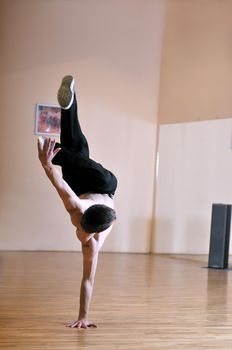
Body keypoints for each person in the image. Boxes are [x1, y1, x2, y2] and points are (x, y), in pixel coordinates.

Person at [37, 75, 118, 329]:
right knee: (76, 157)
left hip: (82, 188)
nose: (82, 237)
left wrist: (83, 316)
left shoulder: (91, 244)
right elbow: (59, 185)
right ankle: (60, 149)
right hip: (105, 185)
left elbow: (87, 280)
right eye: (82, 231)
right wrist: (48, 162)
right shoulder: (77, 209)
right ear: (83, 222)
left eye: (83, 234)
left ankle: (69, 105)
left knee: (76, 145)